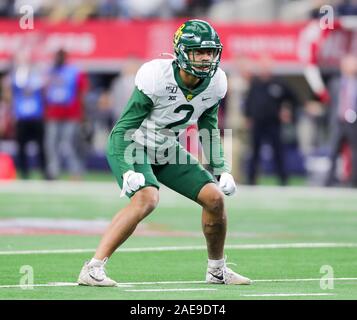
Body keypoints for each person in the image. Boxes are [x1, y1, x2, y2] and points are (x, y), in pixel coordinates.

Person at [77, 19, 252, 286]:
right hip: (133, 144)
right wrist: (126, 170)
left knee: (215, 199)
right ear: (181, 52)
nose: (206, 58)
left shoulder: (216, 82)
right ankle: (93, 268)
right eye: (198, 52)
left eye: (210, 52)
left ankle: (216, 270)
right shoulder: (157, 76)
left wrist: (222, 168)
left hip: (166, 148)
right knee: (147, 198)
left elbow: (209, 126)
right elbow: (122, 128)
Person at [243, 55, 299, 186]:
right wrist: (248, 116)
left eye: (267, 65)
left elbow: (294, 99)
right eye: (262, 65)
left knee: (278, 152)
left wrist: (287, 111)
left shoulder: (279, 83)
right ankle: (251, 180)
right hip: (258, 123)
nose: (264, 68)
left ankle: (283, 180)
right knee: (254, 152)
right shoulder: (255, 83)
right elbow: (249, 102)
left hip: (274, 123)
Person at [44, 49, 88, 180]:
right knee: (51, 143)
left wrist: (82, 113)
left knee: (68, 144)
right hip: (53, 113)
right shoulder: (50, 71)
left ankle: (75, 171)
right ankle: (53, 171)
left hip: (70, 114)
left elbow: (82, 92)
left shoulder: (74, 72)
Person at [4, 51, 47, 179]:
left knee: (41, 147)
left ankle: (44, 172)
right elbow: (9, 93)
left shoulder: (35, 74)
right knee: (21, 147)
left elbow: (42, 87)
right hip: (22, 117)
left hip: (36, 116)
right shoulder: (15, 76)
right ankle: (24, 173)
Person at [325, 54, 357, 188]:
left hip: (353, 123)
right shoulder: (335, 83)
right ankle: (329, 181)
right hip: (338, 121)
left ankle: (354, 181)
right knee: (333, 152)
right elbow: (331, 104)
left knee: (355, 152)